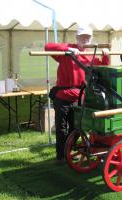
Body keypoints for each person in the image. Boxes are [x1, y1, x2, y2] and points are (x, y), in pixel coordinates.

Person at [45, 27, 110, 163]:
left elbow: (103, 68)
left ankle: (69, 152)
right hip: (63, 96)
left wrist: (106, 55)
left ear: (91, 39)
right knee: (61, 128)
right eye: (82, 37)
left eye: (87, 37)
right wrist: (67, 49)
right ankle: (61, 157)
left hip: (80, 97)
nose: (85, 40)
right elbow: (47, 46)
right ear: (77, 38)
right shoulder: (67, 51)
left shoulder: (90, 56)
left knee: (77, 128)